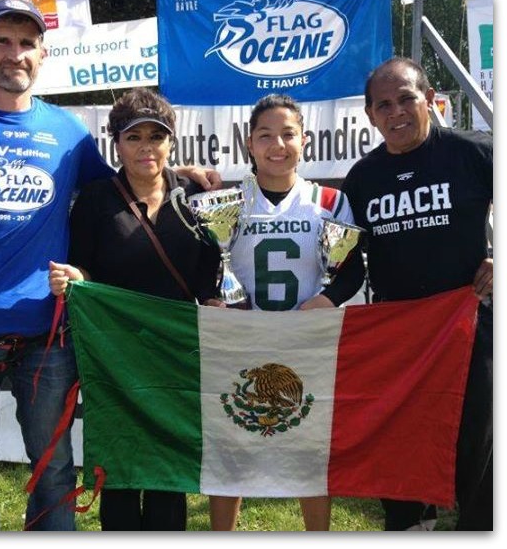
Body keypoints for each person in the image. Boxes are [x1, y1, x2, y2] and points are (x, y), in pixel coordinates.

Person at [0, 0, 220, 531]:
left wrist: (179, 173)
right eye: (2, 41)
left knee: (56, 476)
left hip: (48, 335)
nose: (15, 53)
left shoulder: (69, 134)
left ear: (42, 54)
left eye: (27, 43)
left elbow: (128, 182)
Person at [306, 57, 493, 531]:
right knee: (401, 448)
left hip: (468, 328)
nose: (397, 112)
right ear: (370, 115)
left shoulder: (476, 152)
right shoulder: (362, 179)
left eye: (407, 99)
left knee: (477, 449)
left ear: (430, 100)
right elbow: (348, 262)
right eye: (384, 105)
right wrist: (325, 301)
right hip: (398, 339)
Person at [48, 87, 221, 531]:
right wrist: (76, 277)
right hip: (115, 356)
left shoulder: (194, 195)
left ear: (171, 142)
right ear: (117, 144)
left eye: (156, 136)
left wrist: (215, 297)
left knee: (169, 465)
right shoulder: (95, 200)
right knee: (120, 465)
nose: (147, 147)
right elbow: (84, 265)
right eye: (134, 137)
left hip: (176, 352)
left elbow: (210, 268)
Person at [207, 93, 357, 531]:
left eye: (288, 134)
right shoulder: (228, 203)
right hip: (241, 343)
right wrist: (216, 300)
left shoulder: (328, 201)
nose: (278, 145)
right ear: (249, 144)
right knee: (231, 449)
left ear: (304, 140)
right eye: (265, 135)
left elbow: (350, 270)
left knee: (309, 450)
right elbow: (206, 267)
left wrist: (327, 300)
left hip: (306, 342)